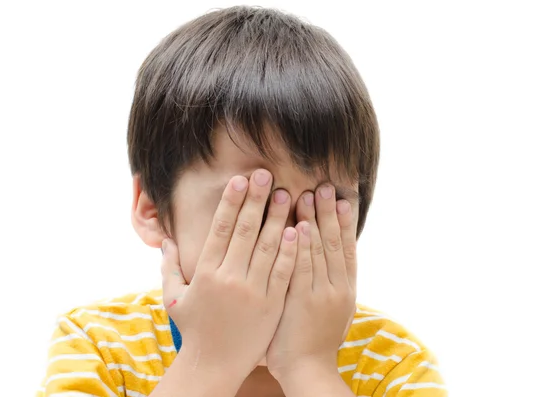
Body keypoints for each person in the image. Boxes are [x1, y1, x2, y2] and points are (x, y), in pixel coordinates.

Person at [37, 5, 446, 397]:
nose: (285, 244)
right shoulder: (100, 347)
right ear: (153, 210)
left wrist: (309, 367)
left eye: (323, 206)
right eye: (256, 203)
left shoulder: (392, 364)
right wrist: (209, 360)